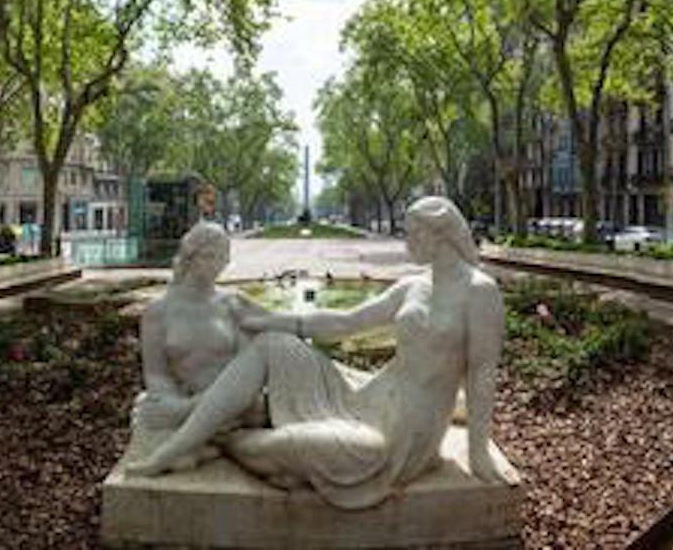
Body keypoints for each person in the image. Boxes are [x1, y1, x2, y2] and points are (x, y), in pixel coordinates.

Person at [127, 196, 513, 510]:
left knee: (300, 447)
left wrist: (478, 449)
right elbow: (347, 321)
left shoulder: (479, 291)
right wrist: (282, 322)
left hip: (409, 429)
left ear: (437, 234)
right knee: (272, 343)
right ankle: (184, 439)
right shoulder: (414, 285)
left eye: (411, 232)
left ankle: (221, 436)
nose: (405, 240)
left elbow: (481, 372)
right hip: (372, 394)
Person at [130, 222, 264, 467]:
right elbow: (156, 374)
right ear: (189, 256)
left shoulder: (233, 303)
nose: (218, 264)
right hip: (185, 400)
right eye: (210, 256)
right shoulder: (158, 310)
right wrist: (171, 402)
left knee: (174, 445)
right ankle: (200, 439)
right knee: (147, 415)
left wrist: (186, 410)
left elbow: (248, 368)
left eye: (224, 257)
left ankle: (200, 438)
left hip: (235, 406)